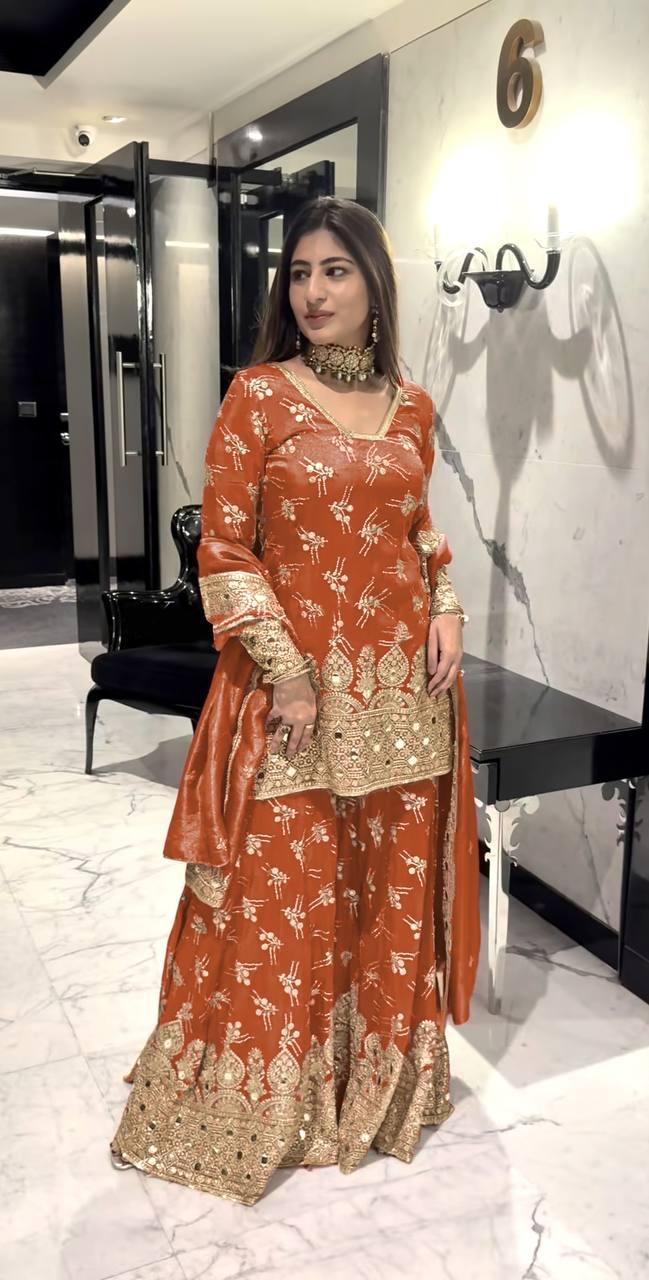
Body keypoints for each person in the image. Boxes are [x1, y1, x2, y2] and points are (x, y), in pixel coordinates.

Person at [111, 196, 480, 1206]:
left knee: (385, 892)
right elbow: (225, 547)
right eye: (300, 272)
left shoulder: (412, 406)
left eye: (335, 270)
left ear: (374, 284)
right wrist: (289, 670)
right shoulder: (259, 396)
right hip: (292, 700)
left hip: (405, 699)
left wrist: (446, 604)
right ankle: (261, 1103)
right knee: (278, 897)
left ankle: (373, 1086)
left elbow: (417, 528)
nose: (313, 291)